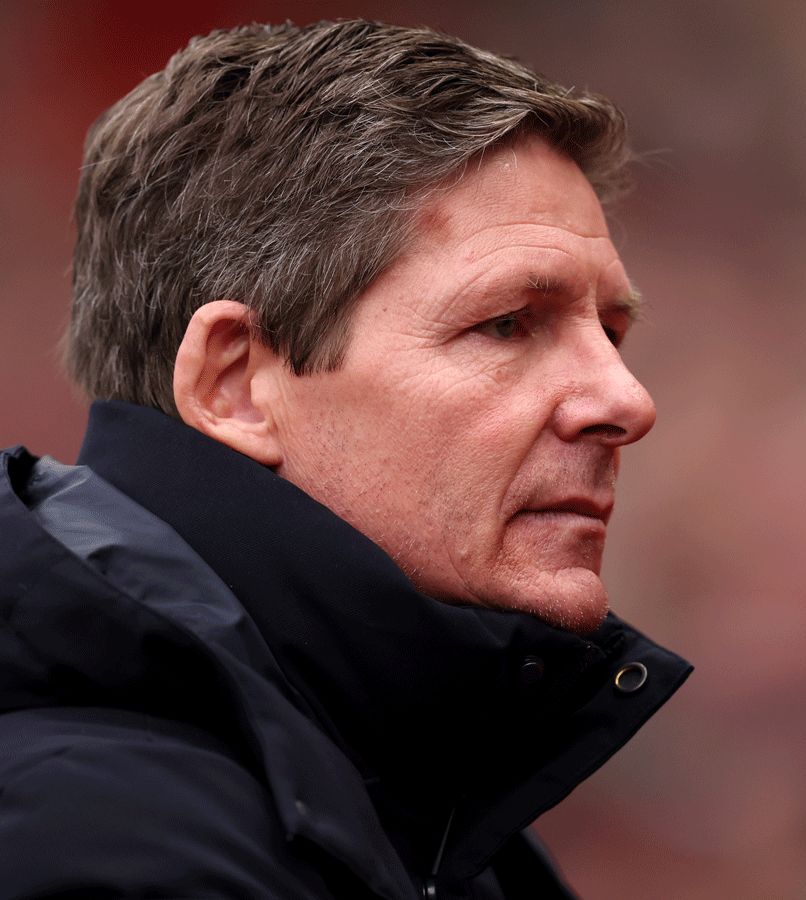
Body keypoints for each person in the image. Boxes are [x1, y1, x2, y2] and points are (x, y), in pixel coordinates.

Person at [0, 20, 691, 900]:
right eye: (507, 323)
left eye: (613, 333)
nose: (627, 401)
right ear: (236, 386)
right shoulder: (94, 839)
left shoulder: (439, 826)